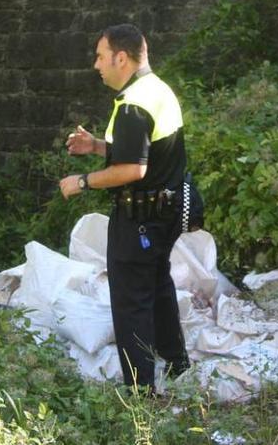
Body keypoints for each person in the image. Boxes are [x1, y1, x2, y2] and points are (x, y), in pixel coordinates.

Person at [59, 23, 190, 394]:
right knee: (158, 286)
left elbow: (134, 168)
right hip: (164, 213)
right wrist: (98, 146)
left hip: (140, 219)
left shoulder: (133, 103)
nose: (96, 64)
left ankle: (140, 392)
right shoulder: (157, 90)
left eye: (100, 56)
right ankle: (177, 363)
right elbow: (148, 150)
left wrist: (83, 181)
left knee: (130, 302)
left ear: (121, 57)